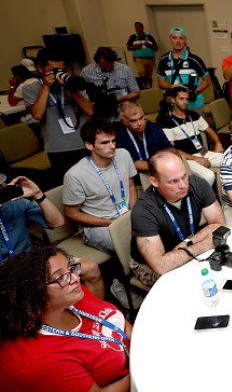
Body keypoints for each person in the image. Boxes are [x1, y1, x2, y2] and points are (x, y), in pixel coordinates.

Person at [0, 246, 131, 391]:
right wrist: (139, 371)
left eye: (71, 269)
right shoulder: (44, 361)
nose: (75, 278)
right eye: (60, 277)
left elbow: (113, 318)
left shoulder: (72, 296)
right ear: (34, 295)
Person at [130, 150, 226, 287]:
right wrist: (204, 244)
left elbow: (219, 225)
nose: (183, 185)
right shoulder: (143, 211)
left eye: (184, 176)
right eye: (173, 181)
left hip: (184, 243)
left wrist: (185, 245)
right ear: (154, 181)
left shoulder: (197, 184)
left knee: (219, 266)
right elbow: (161, 265)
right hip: (148, 265)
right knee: (191, 284)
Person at [0, 175, 104, 299]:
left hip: (32, 262)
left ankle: (94, 310)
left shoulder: (14, 203)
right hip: (5, 274)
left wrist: (38, 194)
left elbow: (57, 222)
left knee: (91, 269)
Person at [63, 119, 138, 252]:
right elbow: (72, 214)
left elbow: (131, 186)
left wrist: (136, 213)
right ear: (89, 145)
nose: (112, 146)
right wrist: (111, 223)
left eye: (113, 140)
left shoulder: (123, 155)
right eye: (105, 142)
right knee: (133, 244)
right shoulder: (75, 175)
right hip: (99, 226)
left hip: (127, 215)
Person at [22, 48, 94, 185]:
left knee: (92, 182)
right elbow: (37, 114)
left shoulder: (72, 84)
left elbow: (90, 111)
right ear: (40, 68)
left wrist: (71, 88)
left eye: (61, 69)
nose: (58, 73)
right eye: (53, 70)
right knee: (70, 186)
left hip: (83, 142)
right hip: (57, 148)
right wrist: (46, 87)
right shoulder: (31, 89)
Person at [158, 86, 223, 186]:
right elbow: (172, 149)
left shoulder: (194, 115)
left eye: (187, 99)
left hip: (203, 152)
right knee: (209, 176)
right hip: (186, 159)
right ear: (173, 100)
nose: (185, 102)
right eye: (181, 99)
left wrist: (218, 143)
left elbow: (210, 130)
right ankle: (203, 196)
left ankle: (229, 193)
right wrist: (195, 158)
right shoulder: (167, 122)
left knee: (231, 161)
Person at [157, 27, 211, 114]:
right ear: (170, 39)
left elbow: (207, 81)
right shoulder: (163, 60)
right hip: (175, 105)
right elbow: (160, 83)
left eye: (181, 38)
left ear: (185, 40)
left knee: (197, 122)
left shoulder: (194, 59)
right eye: (174, 38)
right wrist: (172, 87)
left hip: (194, 104)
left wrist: (195, 91)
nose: (178, 41)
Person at [115, 101, 173, 174]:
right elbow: (133, 164)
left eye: (141, 118)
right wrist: (160, 166)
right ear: (124, 121)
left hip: (162, 170)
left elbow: (170, 149)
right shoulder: (119, 136)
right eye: (133, 121)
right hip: (138, 176)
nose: (139, 123)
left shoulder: (154, 127)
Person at [126, 21, 159, 89]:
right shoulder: (133, 37)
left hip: (150, 59)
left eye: (139, 27)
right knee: (142, 73)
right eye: (136, 28)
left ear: (142, 28)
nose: (137, 29)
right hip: (139, 59)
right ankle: (144, 87)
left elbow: (156, 48)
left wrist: (149, 45)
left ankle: (150, 88)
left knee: (149, 75)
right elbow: (128, 47)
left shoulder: (149, 37)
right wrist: (136, 46)